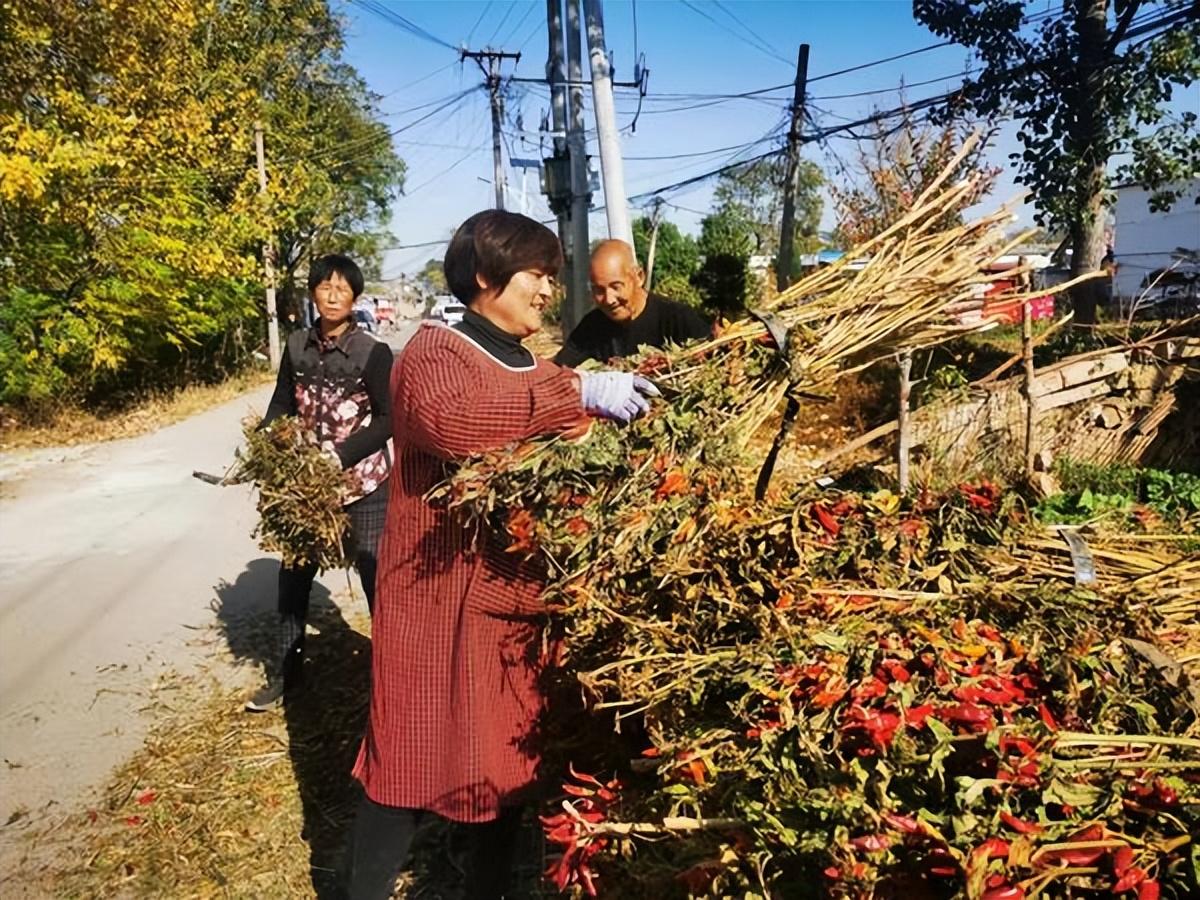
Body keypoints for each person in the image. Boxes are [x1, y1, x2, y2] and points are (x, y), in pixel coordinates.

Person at [345, 211, 659, 899]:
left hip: (508, 602)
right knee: (406, 760)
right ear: (485, 276)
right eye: (537, 275)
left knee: (499, 768)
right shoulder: (435, 352)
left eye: (552, 277)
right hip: (430, 603)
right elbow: (458, 423)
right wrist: (575, 392)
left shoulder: (527, 360)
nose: (549, 290)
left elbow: (562, 438)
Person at [245, 254, 394, 713]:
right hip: (309, 485)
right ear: (313, 292)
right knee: (293, 578)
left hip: (363, 483)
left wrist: (342, 455)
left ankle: (389, 681)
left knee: (375, 577)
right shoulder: (295, 346)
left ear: (354, 297)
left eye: (342, 289)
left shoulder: (373, 352)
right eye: (324, 287)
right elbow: (282, 403)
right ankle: (289, 675)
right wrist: (265, 442)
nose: (332, 295)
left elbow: (389, 419)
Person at [553, 238, 711, 366]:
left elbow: (709, 359)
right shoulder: (591, 328)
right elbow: (560, 370)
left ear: (639, 277)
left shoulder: (677, 319)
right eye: (599, 290)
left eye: (616, 286)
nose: (609, 299)